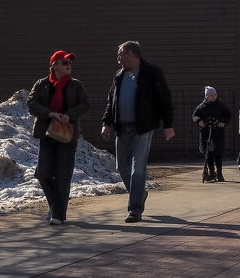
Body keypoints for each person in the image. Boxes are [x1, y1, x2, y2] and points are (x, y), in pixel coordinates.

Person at [101, 40, 175, 223]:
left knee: (138, 168)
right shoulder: (119, 76)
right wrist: (106, 123)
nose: (118, 59)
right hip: (122, 126)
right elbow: (111, 101)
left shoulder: (151, 73)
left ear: (130, 54)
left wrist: (168, 124)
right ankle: (140, 194)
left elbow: (164, 98)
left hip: (142, 127)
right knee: (121, 166)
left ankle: (135, 210)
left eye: (120, 54)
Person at [27, 50, 90, 225]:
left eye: (69, 62)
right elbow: (31, 104)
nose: (68, 65)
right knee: (43, 173)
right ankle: (56, 205)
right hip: (47, 133)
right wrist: (50, 113)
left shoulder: (76, 85)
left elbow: (86, 103)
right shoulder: (41, 84)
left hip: (67, 135)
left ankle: (58, 215)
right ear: (54, 65)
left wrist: (69, 114)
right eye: (63, 62)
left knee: (63, 174)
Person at [192, 85, 231, 183]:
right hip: (206, 133)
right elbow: (195, 115)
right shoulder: (202, 106)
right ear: (206, 96)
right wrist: (199, 121)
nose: (213, 97)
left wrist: (223, 122)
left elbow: (228, 114)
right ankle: (211, 173)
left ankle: (220, 173)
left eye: (215, 94)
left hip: (217, 132)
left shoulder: (221, 105)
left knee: (218, 153)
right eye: (211, 95)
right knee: (208, 153)